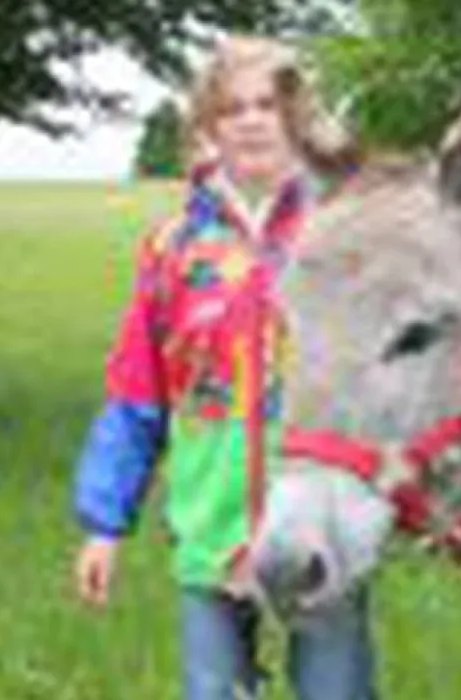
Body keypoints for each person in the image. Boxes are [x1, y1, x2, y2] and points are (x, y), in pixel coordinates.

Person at [68, 36, 377, 700]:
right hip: (210, 529)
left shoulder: (345, 233)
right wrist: (104, 524)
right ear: (208, 128)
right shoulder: (173, 249)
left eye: (269, 103)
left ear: (298, 119)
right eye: (232, 107)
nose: (252, 119)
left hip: (322, 532)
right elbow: (135, 392)